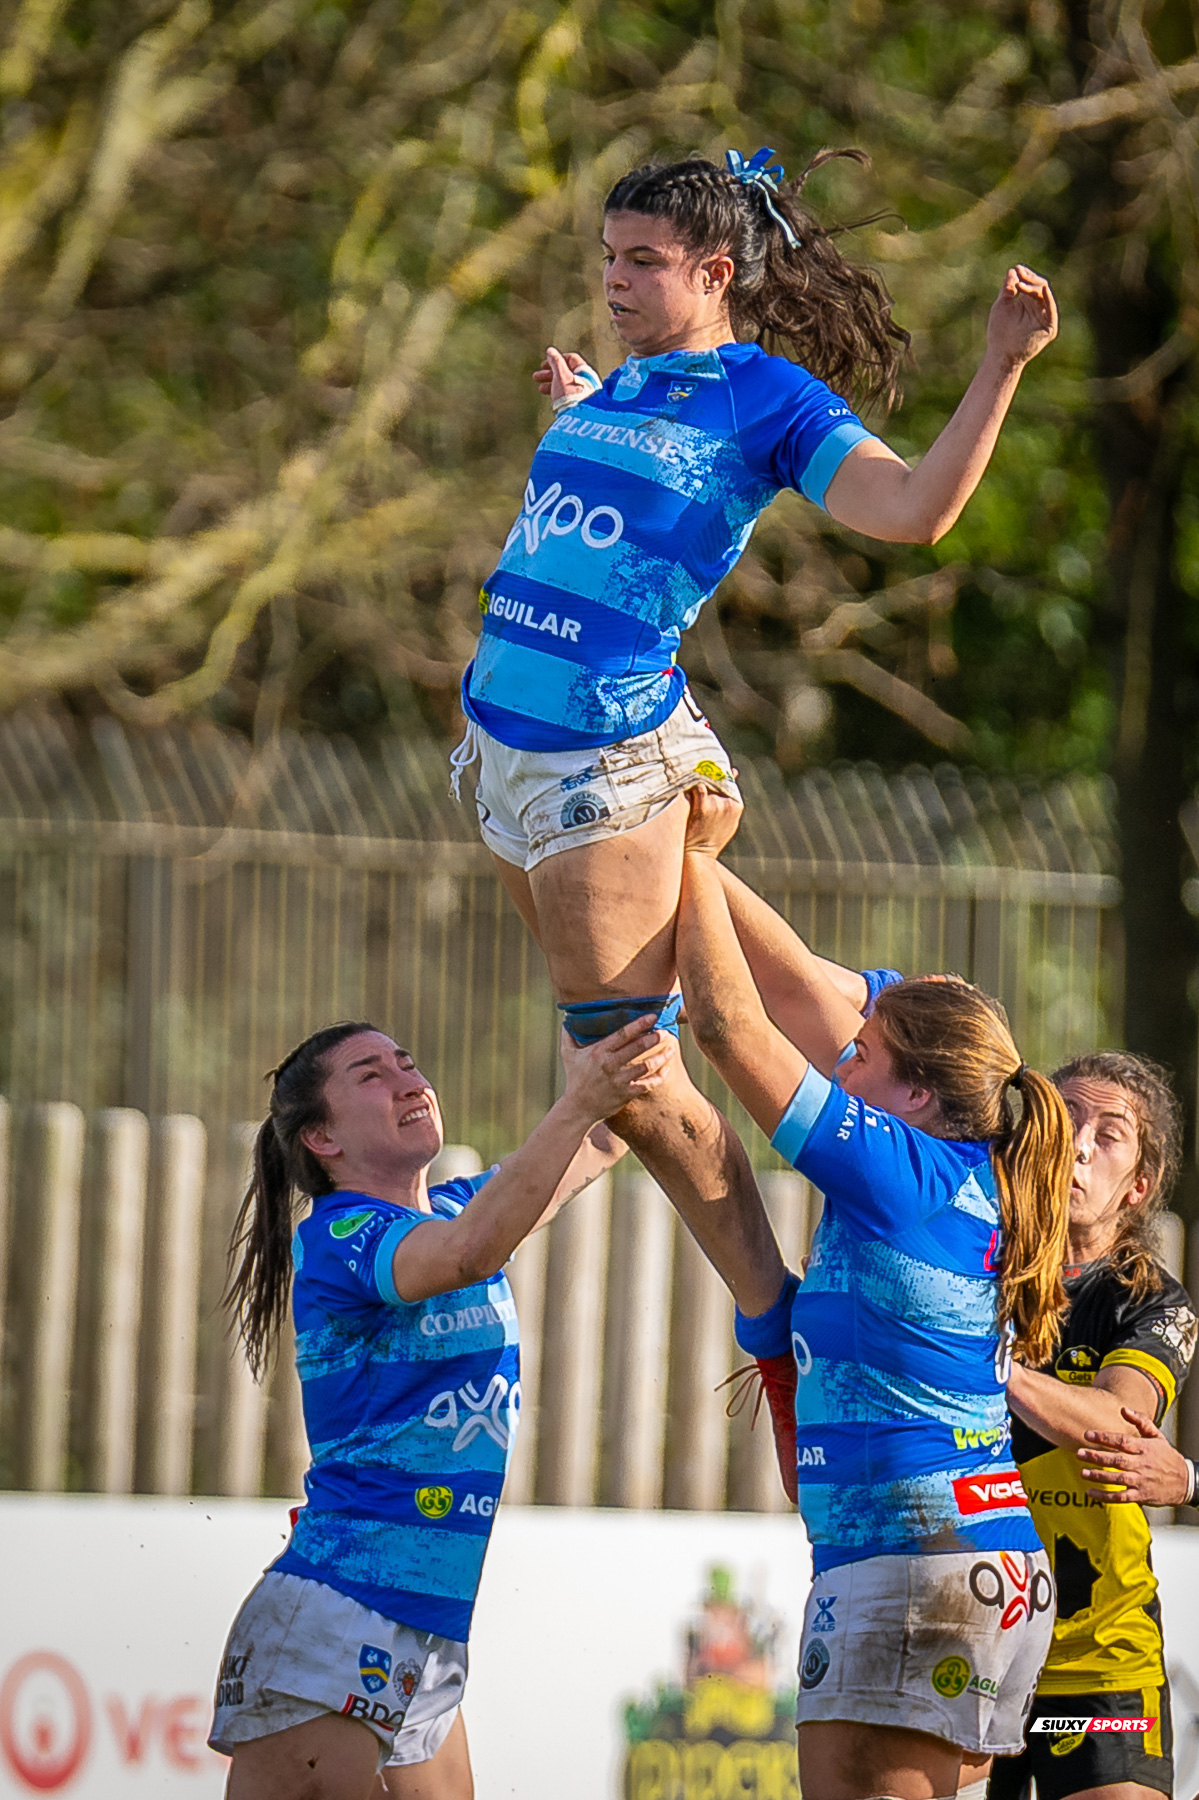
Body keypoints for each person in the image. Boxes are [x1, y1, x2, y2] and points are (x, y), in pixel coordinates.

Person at [450, 143, 1058, 1320]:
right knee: (618, 1068)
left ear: (717, 270)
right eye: (607, 257)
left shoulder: (770, 401)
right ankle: (732, 1195)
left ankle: (773, 1325)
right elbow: (622, 510)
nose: (614, 281)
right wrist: (587, 410)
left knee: (626, 1070)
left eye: (643, 262)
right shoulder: (621, 386)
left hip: (597, 765)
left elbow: (914, 512)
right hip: (499, 758)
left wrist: (998, 365)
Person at [672, 803, 1072, 1800]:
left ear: (915, 1094)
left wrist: (677, 858)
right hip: (960, 1560)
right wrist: (687, 855)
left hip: (911, 1566)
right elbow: (802, 982)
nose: (836, 1062)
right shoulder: (963, 1158)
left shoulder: (901, 1172)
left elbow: (727, 1026)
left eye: (858, 1057)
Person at [209, 1013, 666, 1800]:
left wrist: (630, 1023)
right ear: (322, 1139)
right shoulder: (344, 1233)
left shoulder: (459, 1207)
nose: (405, 1077)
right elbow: (465, 1256)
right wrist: (575, 1104)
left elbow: (598, 1144)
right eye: (369, 1075)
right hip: (336, 1616)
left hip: (425, 1628)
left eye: (405, 1060)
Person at [988, 1050, 1198, 1800]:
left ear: (1137, 1185)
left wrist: (990, 1365)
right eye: (1065, 1119)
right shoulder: (976, 1266)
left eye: (1106, 1135)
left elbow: (1115, 1421)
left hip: (1100, 1667)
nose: (1077, 1143)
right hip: (974, 1645)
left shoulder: (1151, 1302)